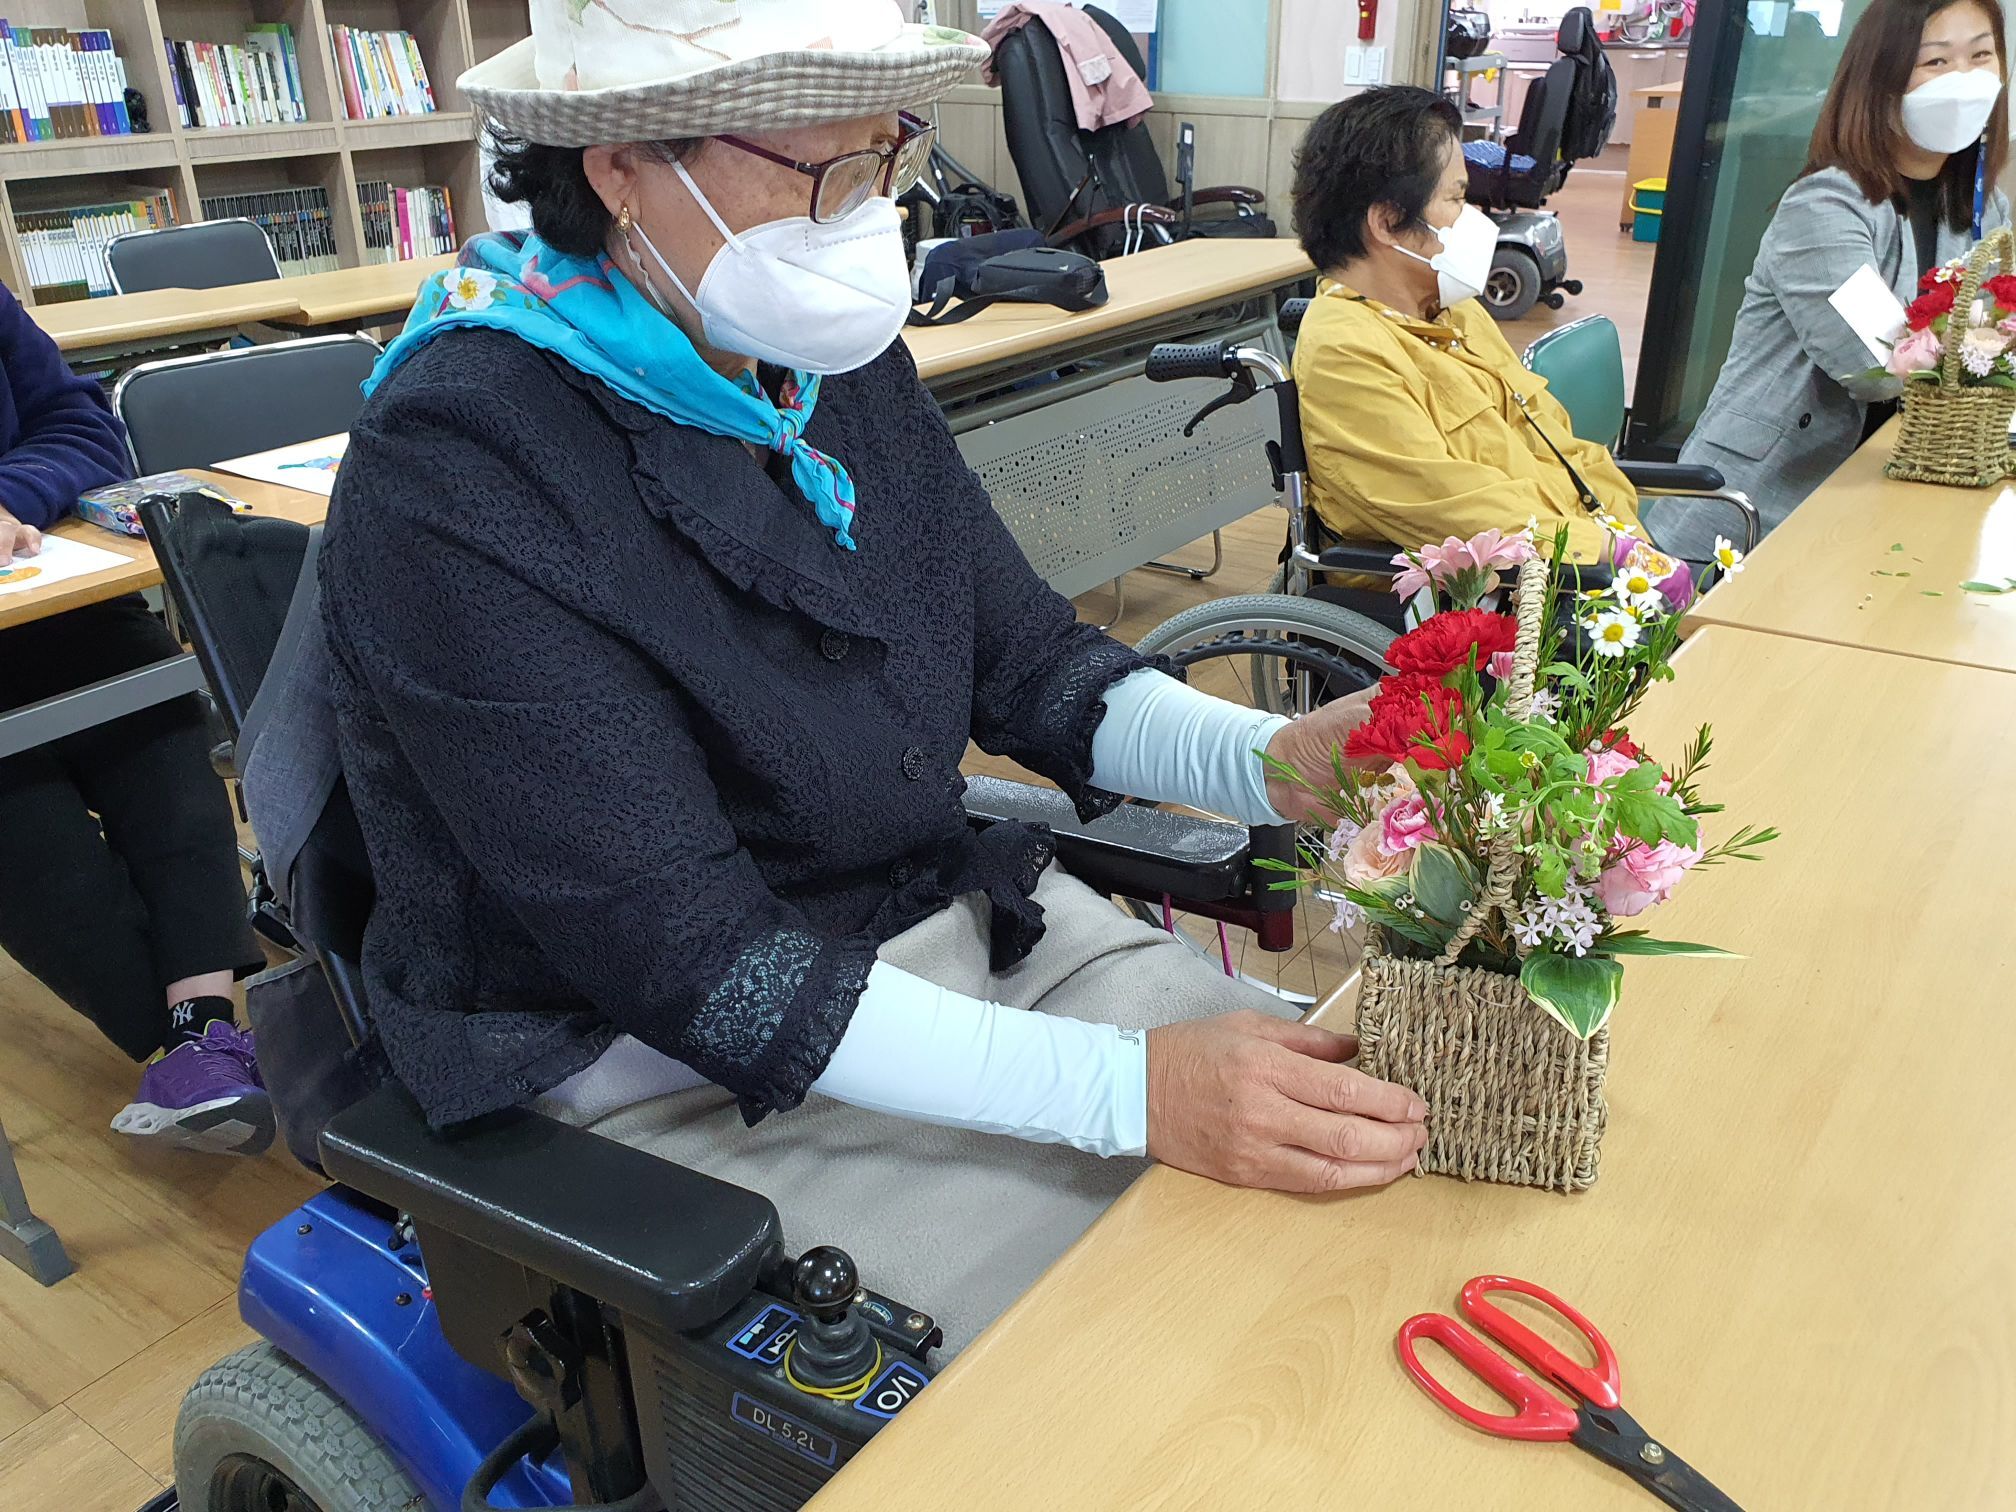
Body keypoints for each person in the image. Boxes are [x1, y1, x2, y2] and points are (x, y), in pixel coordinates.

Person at [316, 0, 1427, 1359]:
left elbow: (1032, 663)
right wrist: (1133, 1094)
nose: (865, 221)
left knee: (1357, 1194)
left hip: (941, 939)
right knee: (1163, 1345)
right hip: (672, 1077)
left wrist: (1271, 762)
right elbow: (697, 962)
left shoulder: (818, 367)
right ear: (619, 166)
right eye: (826, 172)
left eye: (885, 159)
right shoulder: (462, 468)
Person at [0, 283, 270, 1155]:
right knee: (31, 836)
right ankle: (184, 1046)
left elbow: (82, 427)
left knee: (161, 720)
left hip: (51, 594)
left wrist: (11, 495)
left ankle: (201, 1030)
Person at [1664, 0, 2010, 558]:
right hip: (1754, 512)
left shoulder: (1984, 209)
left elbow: (1992, 341)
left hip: (1889, 488)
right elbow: (1879, 363)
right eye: (1936, 62)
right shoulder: (1825, 204)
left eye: (1981, 56)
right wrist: (1986, 351)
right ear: (1880, 80)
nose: (1964, 80)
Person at [1289, 86, 1643, 567]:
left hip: (1580, 554)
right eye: (1457, 198)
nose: (1473, 215)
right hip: (1494, 590)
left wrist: (1628, 534)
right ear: (1387, 223)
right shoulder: (1344, 353)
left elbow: (1559, 445)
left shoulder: (1454, 312)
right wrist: (1615, 555)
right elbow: (1463, 515)